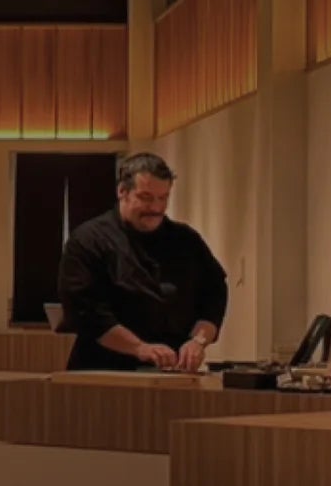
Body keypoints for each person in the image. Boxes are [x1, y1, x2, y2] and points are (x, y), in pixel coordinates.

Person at [57, 152, 227, 373]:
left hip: (173, 373)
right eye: (145, 197)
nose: (156, 207)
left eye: (163, 198)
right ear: (122, 191)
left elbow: (214, 294)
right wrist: (140, 348)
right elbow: (87, 313)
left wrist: (198, 341)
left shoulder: (186, 240)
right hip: (103, 371)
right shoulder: (88, 241)